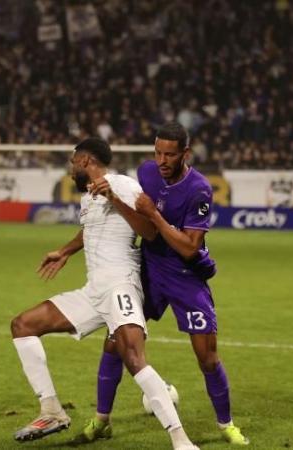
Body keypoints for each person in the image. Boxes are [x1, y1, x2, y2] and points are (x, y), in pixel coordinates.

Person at [9, 137, 199, 450]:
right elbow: (92, 230)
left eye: (73, 163)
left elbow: (149, 230)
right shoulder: (87, 199)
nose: (71, 170)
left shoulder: (123, 185)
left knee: (135, 358)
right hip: (93, 291)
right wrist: (66, 251)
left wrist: (114, 198)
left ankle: (181, 440)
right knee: (23, 325)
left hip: (120, 285)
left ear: (85, 161)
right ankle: (52, 411)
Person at [76, 122, 249, 445]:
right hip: (149, 270)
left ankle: (226, 424)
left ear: (186, 153)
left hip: (185, 275)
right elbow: (123, 219)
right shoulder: (146, 173)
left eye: (170, 154)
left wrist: (154, 215)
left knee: (207, 357)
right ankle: (101, 420)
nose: (162, 160)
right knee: (115, 340)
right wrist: (68, 249)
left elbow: (188, 247)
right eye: (157, 152)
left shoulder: (199, 189)